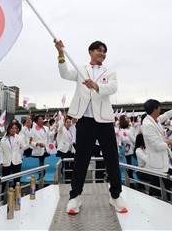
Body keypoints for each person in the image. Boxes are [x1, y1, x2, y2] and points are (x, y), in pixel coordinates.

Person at [55, 39, 127, 214]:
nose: (102, 54)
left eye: (104, 52)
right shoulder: (81, 70)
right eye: (99, 51)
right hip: (85, 121)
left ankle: (115, 196)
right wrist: (61, 53)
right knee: (81, 159)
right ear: (91, 52)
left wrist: (95, 85)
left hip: (104, 121)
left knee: (111, 158)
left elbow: (112, 88)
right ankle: (75, 197)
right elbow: (64, 74)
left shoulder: (109, 71)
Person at [141, 99, 172, 200]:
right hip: (157, 162)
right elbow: (156, 145)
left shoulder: (155, 120)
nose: (161, 110)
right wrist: (169, 143)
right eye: (159, 108)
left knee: (159, 188)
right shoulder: (147, 125)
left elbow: (166, 115)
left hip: (163, 162)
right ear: (155, 109)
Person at [0, 121, 26, 187]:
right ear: (8, 129)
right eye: (12, 128)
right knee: (4, 179)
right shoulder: (3, 139)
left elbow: (24, 147)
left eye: (15, 128)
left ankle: (16, 193)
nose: (14, 130)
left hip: (16, 161)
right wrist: (1, 162)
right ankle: (3, 194)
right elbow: (1, 151)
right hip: (6, 162)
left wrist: (31, 142)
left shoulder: (19, 137)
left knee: (17, 180)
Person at [56, 115, 76, 181]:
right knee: (63, 167)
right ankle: (64, 180)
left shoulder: (69, 130)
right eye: (67, 122)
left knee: (69, 166)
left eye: (70, 122)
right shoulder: (62, 129)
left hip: (69, 151)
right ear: (64, 123)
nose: (69, 123)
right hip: (62, 151)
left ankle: (69, 179)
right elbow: (60, 128)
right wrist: (62, 119)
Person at [116, 115, 137, 180]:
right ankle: (127, 181)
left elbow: (135, 140)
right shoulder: (119, 131)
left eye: (128, 118)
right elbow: (119, 142)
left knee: (133, 168)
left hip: (133, 152)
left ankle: (133, 181)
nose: (128, 120)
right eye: (126, 119)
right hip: (124, 153)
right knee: (125, 168)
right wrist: (119, 151)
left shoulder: (132, 129)